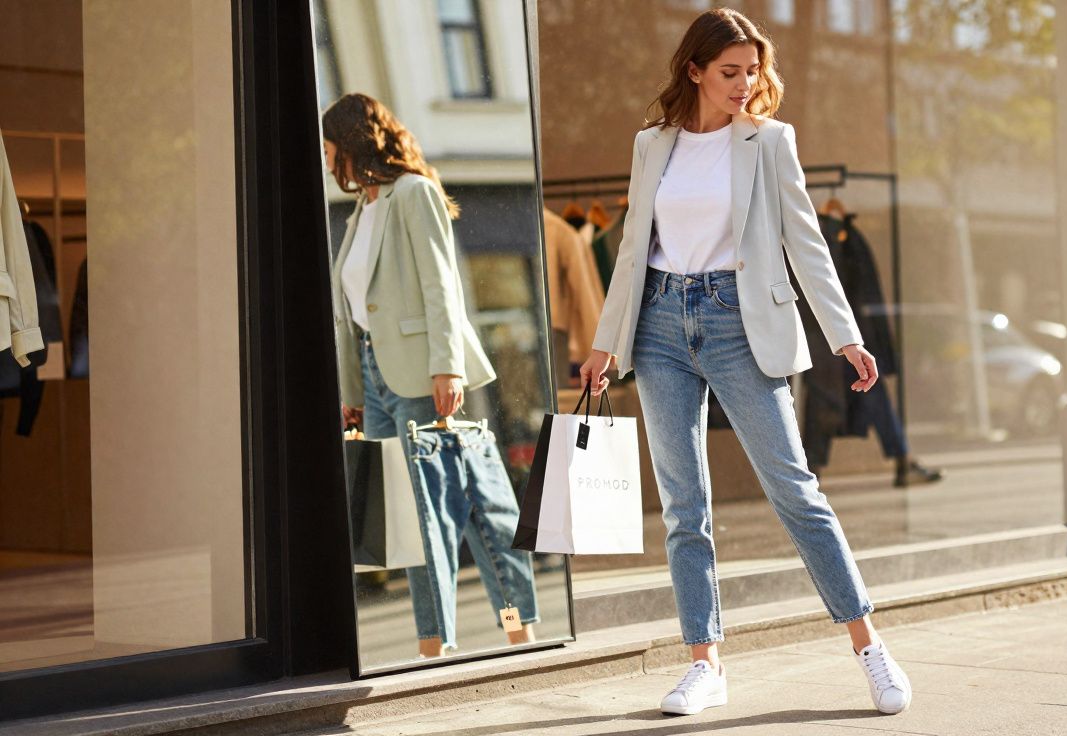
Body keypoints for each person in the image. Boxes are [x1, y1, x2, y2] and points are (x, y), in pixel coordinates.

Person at [579, 8, 912, 718]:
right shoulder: (652, 145)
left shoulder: (769, 141)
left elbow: (806, 244)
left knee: (796, 491)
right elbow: (634, 249)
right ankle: (705, 664)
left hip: (739, 322)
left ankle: (869, 647)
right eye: (730, 71)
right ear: (693, 70)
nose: (745, 83)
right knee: (682, 507)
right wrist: (606, 344)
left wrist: (843, 336)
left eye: (753, 70)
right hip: (661, 326)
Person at [322, 93, 538, 657]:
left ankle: (475, 635)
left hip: (423, 376)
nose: (325, 162)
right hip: (375, 383)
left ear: (352, 145)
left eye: (329, 149)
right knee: (420, 514)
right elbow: (353, 314)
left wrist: (447, 366)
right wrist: (353, 393)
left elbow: (441, 286)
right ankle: (454, 637)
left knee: (444, 511)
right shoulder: (360, 213)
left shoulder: (412, 194)